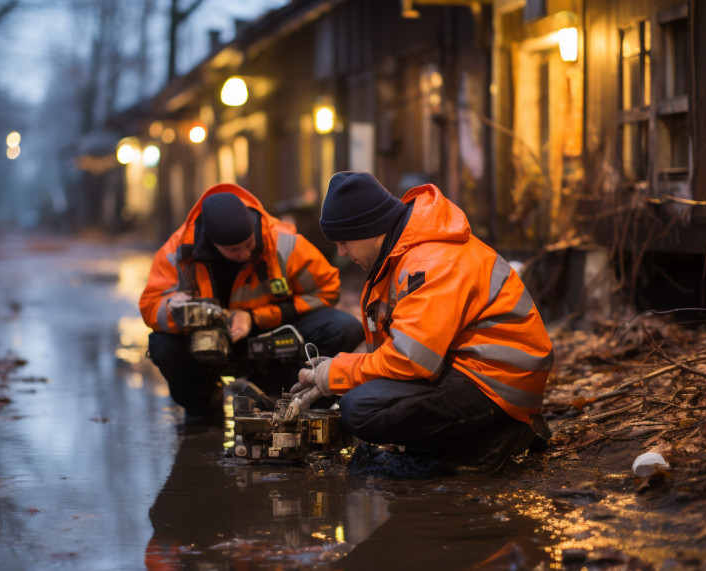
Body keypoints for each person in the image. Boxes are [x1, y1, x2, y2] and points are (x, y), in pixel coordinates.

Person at [292, 172, 553, 471]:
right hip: (483, 373)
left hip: (499, 385)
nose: (341, 252)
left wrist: (338, 372)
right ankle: (471, 435)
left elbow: (411, 360)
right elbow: (409, 347)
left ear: (370, 228)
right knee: (363, 396)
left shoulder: (429, 263)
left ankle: (494, 438)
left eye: (344, 241)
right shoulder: (407, 252)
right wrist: (341, 367)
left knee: (362, 409)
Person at [139, 183, 364, 424]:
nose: (245, 253)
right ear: (212, 243)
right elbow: (150, 306)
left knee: (345, 327)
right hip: (207, 345)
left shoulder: (283, 243)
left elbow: (328, 288)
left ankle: (272, 397)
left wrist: (256, 316)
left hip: (270, 335)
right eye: (235, 249)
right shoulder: (178, 252)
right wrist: (174, 307)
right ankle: (204, 408)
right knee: (163, 344)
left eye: (249, 243)